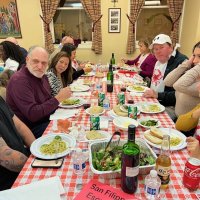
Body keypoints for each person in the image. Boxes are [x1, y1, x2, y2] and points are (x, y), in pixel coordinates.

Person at [6, 46, 72, 138]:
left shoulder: (42, 76)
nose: (40, 66)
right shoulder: (19, 80)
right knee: (70, 134)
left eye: (44, 63)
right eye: (35, 61)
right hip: (30, 129)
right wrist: (58, 98)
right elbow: (33, 114)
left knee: (74, 121)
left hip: (45, 119)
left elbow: (47, 101)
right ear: (27, 59)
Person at [143, 34, 187, 120]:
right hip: (156, 101)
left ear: (171, 47)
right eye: (155, 49)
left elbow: (180, 95)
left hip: (171, 107)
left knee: (148, 119)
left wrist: (158, 95)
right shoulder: (159, 61)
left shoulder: (182, 62)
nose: (158, 51)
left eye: (161, 47)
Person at [0, 96, 35, 190]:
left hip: (25, 159)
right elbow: (5, 155)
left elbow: (19, 126)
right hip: (8, 181)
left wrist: (37, 150)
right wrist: (37, 164)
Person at [164, 41, 200, 117]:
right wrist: (187, 63)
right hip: (175, 116)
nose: (194, 60)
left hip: (189, 126)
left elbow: (178, 85)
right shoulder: (192, 74)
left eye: (199, 56)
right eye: (194, 55)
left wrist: (198, 66)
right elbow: (167, 81)